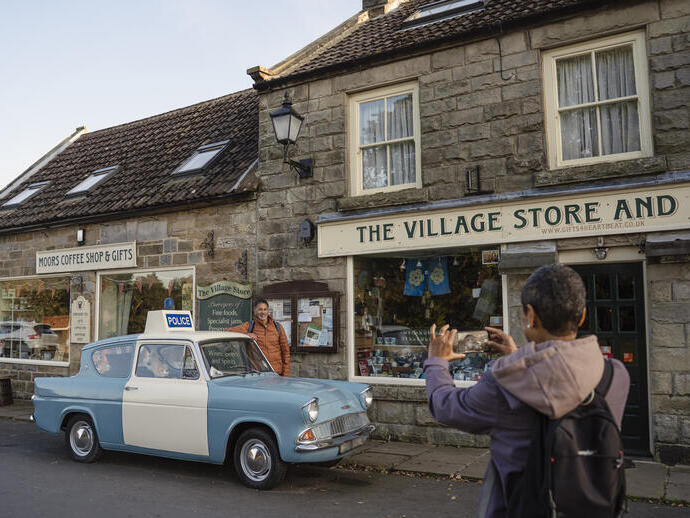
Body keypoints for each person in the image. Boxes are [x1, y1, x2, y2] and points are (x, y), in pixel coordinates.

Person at [424, 264, 630, 518]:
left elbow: (446, 407)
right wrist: (517, 357)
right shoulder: (615, 374)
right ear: (583, 315)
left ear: (531, 316)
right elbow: (560, 378)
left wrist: (437, 361)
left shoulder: (503, 383)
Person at [227, 299, 290, 376]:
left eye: (265, 309)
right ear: (255, 311)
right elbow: (229, 331)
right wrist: (247, 334)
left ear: (268, 311)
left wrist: (286, 374)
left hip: (277, 373)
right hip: (259, 374)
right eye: (260, 309)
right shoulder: (250, 326)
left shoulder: (278, 327)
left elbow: (286, 352)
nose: (263, 312)